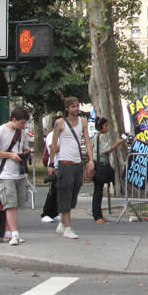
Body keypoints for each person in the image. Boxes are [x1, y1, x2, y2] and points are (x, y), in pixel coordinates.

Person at [47, 97, 94, 239]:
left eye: (77, 106)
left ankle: (62, 221)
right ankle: (67, 228)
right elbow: (54, 144)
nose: (76, 109)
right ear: (67, 108)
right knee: (65, 193)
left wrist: (91, 160)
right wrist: (50, 164)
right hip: (65, 162)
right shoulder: (60, 123)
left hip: (77, 162)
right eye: (73, 106)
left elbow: (87, 140)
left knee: (74, 194)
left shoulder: (83, 122)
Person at [0, 107, 31, 245]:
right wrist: (10, 155)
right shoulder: (0, 131)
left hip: (19, 173)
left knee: (15, 204)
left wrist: (25, 153)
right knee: (10, 204)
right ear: (14, 120)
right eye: (22, 123)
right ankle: (14, 233)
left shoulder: (22, 133)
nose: (23, 126)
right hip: (6, 173)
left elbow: (24, 148)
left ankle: (8, 232)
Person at [92, 117, 124, 224]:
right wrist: (118, 143)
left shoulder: (96, 136)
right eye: (106, 126)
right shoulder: (101, 137)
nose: (107, 128)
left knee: (99, 191)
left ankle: (99, 214)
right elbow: (108, 149)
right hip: (100, 165)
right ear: (101, 127)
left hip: (98, 164)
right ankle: (97, 215)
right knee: (98, 191)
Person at [40, 116, 62, 223]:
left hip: (62, 165)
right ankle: (46, 212)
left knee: (59, 191)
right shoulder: (51, 135)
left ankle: (55, 212)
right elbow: (53, 148)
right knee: (53, 190)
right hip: (54, 165)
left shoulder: (62, 136)